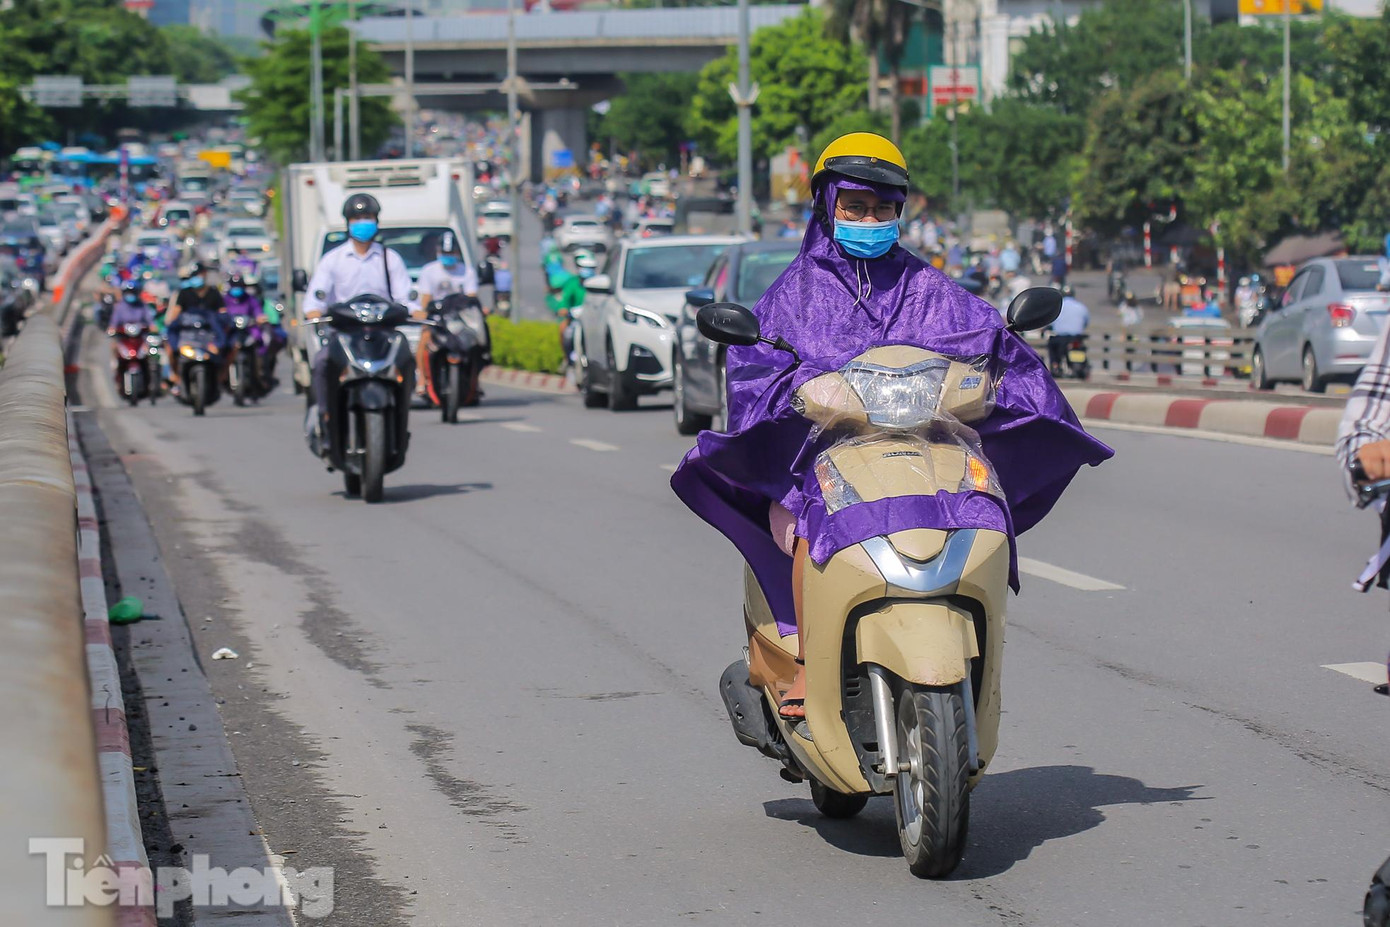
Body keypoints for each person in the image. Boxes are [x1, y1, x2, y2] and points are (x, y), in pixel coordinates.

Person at [669, 132, 1112, 720]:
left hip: (929, 453)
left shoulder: (932, 290)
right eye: (856, 206)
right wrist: (802, 391)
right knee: (803, 528)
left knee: (983, 513)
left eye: (883, 208)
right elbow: (754, 373)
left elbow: (992, 342)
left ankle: (971, 656)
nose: (869, 219)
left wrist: (997, 380)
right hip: (819, 463)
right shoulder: (791, 298)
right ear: (828, 205)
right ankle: (803, 662)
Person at [302, 193, 412, 454]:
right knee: (321, 363)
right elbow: (315, 298)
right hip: (344, 334)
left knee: (407, 358)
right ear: (347, 223)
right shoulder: (334, 260)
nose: (363, 223)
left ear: (377, 221)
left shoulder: (390, 258)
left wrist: (414, 311)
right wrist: (314, 311)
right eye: (357, 218)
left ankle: (402, 415)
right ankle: (325, 418)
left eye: (368, 217)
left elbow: (406, 297)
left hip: (382, 334)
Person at [414, 231, 485, 397]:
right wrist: (424, 315)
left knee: (479, 343)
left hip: (461, 318)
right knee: (424, 339)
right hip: (437, 317)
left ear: (457, 253)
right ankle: (422, 380)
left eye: (451, 253)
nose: (447, 256)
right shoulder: (429, 271)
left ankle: (476, 381)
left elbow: (471, 297)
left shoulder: (466, 272)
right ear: (438, 252)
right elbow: (426, 298)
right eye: (444, 253)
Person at [165, 262, 226, 391]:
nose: (197, 277)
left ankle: (222, 377)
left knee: (227, 347)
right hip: (188, 334)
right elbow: (176, 313)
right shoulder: (185, 293)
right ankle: (176, 377)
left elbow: (222, 313)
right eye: (194, 275)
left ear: (204, 274)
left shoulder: (213, 293)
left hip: (208, 335)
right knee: (170, 347)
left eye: (198, 274)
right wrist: (170, 323)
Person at [1047, 284, 1090, 373]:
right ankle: (1082, 366)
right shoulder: (1081, 306)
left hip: (1060, 338)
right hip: (1076, 337)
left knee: (1052, 346)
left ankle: (1055, 365)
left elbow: (1050, 321)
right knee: (1081, 347)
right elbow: (1086, 322)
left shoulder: (1057, 306)